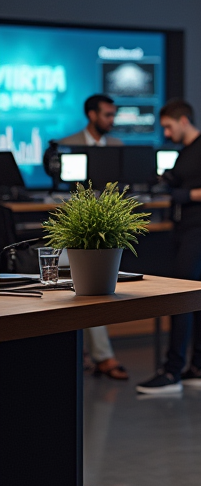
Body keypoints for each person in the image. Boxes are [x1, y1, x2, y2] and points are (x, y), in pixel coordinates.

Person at [136, 100, 201, 395]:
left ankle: (171, 371)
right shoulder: (185, 153)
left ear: (183, 120)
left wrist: (187, 194)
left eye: (168, 126)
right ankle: (199, 367)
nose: (166, 133)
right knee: (200, 296)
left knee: (180, 295)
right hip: (185, 230)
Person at [59, 94, 127, 380]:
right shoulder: (68, 144)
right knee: (79, 291)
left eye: (114, 115)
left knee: (93, 292)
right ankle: (98, 356)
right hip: (76, 227)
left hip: (107, 229)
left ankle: (97, 355)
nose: (112, 120)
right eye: (107, 115)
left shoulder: (117, 147)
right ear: (91, 115)